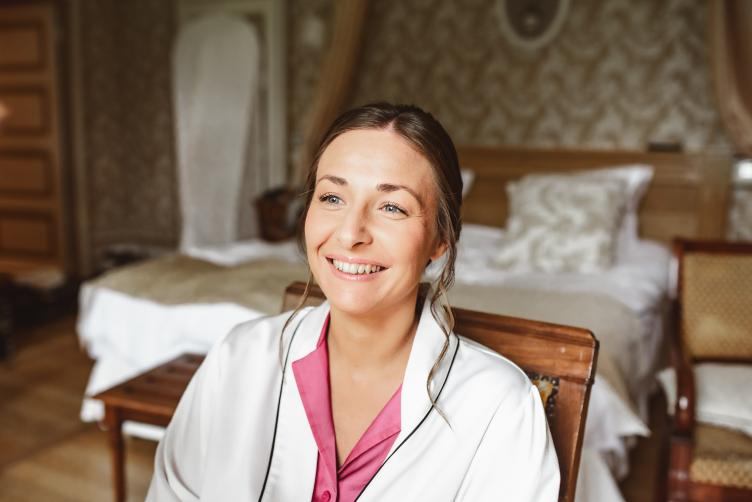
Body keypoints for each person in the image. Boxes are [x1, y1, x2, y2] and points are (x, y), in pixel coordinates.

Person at [146, 103, 559, 501]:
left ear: (440, 240)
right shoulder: (238, 357)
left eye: (392, 207)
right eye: (332, 198)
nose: (350, 234)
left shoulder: (500, 408)